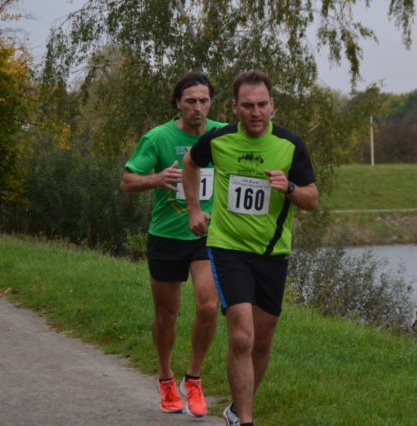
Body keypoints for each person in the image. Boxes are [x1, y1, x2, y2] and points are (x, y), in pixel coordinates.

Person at [182, 70, 318, 426]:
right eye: (247, 105)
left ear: (273, 105)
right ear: (234, 107)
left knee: (262, 340)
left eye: (262, 104)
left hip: (272, 252)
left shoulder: (290, 145)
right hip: (228, 248)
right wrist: (194, 209)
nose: (255, 112)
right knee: (242, 336)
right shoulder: (219, 140)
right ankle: (245, 420)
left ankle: (235, 408)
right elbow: (190, 162)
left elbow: (312, 200)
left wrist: (289, 188)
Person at [120, 72, 224, 418]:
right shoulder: (158, 137)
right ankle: (165, 378)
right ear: (178, 103)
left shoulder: (222, 134)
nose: (198, 107)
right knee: (167, 315)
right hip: (167, 235)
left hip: (207, 235)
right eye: (191, 101)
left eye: (204, 100)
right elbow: (126, 182)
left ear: (211, 103)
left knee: (208, 306)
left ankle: (193, 379)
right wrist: (156, 178)